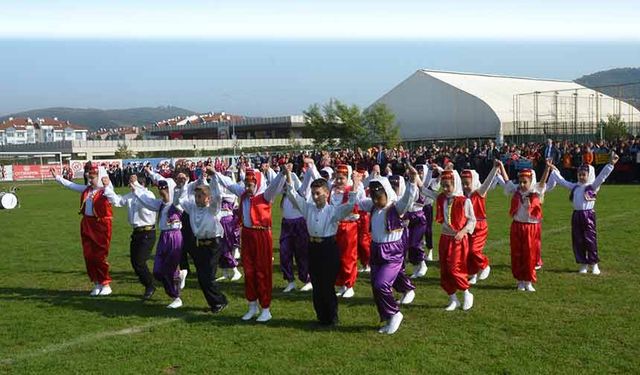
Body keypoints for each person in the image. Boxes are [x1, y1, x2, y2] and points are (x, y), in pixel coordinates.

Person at [284, 164, 358, 326]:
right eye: (313, 193)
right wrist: (288, 174)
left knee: (327, 284)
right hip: (313, 248)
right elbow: (292, 195)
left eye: (318, 193)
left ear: (326, 193)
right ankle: (321, 316)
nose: (315, 196)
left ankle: (332, 317)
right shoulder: (308, 208)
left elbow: (351, 205)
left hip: (328, 248)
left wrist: (355, 184)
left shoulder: (333, 210)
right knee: (317, 284)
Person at [214, 166, 286, 322]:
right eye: (246, 184)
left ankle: (265, 308)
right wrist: (215, 173)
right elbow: (228, 184)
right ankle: (252, 306)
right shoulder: (243, 195)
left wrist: (282, 173)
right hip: (247, 235)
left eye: (250, 185)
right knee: (249, 271)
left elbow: (274, 185)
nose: (247, 188)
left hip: (261, 235)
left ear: (258, 184)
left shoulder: (265, 196)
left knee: (262, 272)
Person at [357, 168, 419, 334]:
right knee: (375, 287)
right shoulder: (373, 207)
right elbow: (359, 200)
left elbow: (407, 199)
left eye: (379, 198)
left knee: (381, 285)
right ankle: (387, 317)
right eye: (374, 198)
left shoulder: (395, 207)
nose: (376, 201)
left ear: (387, 193)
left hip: (392, 252)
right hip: (376, 250)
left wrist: (412, 181)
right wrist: (358, 183)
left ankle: (395, 314)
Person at [548, 152, 618, 274]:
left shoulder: (592, 186)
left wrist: (610, 164)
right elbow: (562, 181)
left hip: (588, 216)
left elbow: (602, 177)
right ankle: (583, 263)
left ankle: (594, 263)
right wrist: (554, 169)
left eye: (583, 175)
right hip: (576, 216)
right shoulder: (575, 186)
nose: (581, 177)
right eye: (579, 174)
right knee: (578, 240)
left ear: (589, 175)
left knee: (590, 239)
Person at [50, 166, 114, 296]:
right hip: (86, 223)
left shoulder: (106, 191)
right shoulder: (87, 190)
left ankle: (105, 283)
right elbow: (72, 186)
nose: (90, 180)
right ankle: (96, 282)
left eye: (92, 178)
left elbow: (112, 196)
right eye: (89, 177)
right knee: (88, 255)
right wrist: (57, 177)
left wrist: (106, 184)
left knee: (99, 255)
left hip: (101, 225)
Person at [173, 168, 228, 313]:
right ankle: (218, 301)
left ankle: (218, 302)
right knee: (202, 277)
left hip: (213, 244)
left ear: (207, 198)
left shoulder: (213, 209)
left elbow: (217, 195)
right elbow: (179, 200)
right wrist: (181, 186)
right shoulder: (192, 208)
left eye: (200, 196)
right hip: (200, 245)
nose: (197, 199)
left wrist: (213, 176)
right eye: (196, 196)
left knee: (207, 277)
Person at [423, 168, 477, 311]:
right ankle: (453, 298)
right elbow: (426, 191)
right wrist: (416, 179)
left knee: (455, 268)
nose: (445, 189)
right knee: (445, 270)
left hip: (458, 240)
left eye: (448, 186)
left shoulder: (464, 201)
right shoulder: (441, 198)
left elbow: (472, 220)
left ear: (455, 184)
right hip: (445, 239)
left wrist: (463, 231)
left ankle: (466, 293)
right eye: (443, 185)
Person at [498, 161, 552, 292]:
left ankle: (528, 280)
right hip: (517, 226)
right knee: (517, 254)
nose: (522, 185)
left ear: (530, 181)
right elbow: (507, 181)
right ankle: (520, 280)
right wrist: (501, 166)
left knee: (530, 254)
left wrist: (547, 168)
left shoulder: (536, 192)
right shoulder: (516, 191)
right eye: (520, 182)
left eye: (525, 182)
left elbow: (542, 183)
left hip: (531, 228)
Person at [103, 173, 158, 299]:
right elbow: (117, 201)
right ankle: (149, 283)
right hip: (136, 232)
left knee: (139, 261)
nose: (129, 184)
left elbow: (146, 199)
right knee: (135, 262)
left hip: (147, 232)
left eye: (132, 181)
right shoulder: (130, 196)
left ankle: (150, 285)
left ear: (141, 183)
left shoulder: (148, 195)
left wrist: (137, 186)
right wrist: (107, 187)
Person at [132, 179, 184, 308]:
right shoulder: (160, 204)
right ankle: (179, 275)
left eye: (165, 188)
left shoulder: (176, 204)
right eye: (160, 188)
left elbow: (177, 198)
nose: (162, 191)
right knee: (158, 270)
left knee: (169, 269)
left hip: (174, 236)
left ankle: (176, 297)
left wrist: (176, 189)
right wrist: (136, 190)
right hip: (163, 237)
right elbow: (148, 202)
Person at [460, 160, 500, 285]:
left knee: (474, 250)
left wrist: (494, 169)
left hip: (480, 227)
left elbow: (487, 183)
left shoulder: (480, 193)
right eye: (463, 184)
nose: (465, 186)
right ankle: (472, 274)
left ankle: (485, 265)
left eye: (467, 184)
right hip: (468, 227)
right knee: (467, 252)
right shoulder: (463, 196)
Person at [278, 163, 313, 293]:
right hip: (286, 225)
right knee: (284, 253)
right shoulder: (284, 197)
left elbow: (306, 180)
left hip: (299, 225)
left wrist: (289, 174)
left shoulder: (300, 195)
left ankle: (308, 279)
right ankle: (290, 281)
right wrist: (284, 173)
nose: (286, 186)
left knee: (302, 254)